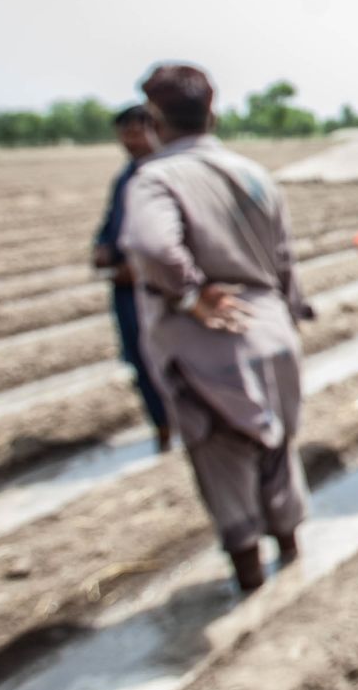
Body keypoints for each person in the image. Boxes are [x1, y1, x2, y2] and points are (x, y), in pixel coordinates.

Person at [120, 63, 312, 593]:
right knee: (278, 454)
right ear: (214, 112)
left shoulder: (155, 177)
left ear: (155, 120)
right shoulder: (252, 173)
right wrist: (289, 316)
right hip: (271, 330)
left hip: (210, 343)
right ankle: (295, 573)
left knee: (224, 465)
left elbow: (153, 246)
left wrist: (188, 293)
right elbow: (285, 259)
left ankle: (253, 586)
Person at [92, 105, 170, 450]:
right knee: (142, 361)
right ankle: (163, 429)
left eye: (135, 131)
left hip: (164, 290)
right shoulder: (126, 177)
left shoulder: (169, 174)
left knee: (172, 360)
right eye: (123, 133)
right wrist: (102, 248)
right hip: (127, 291)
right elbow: (111, 222)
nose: (129, 140)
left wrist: (140, 269)